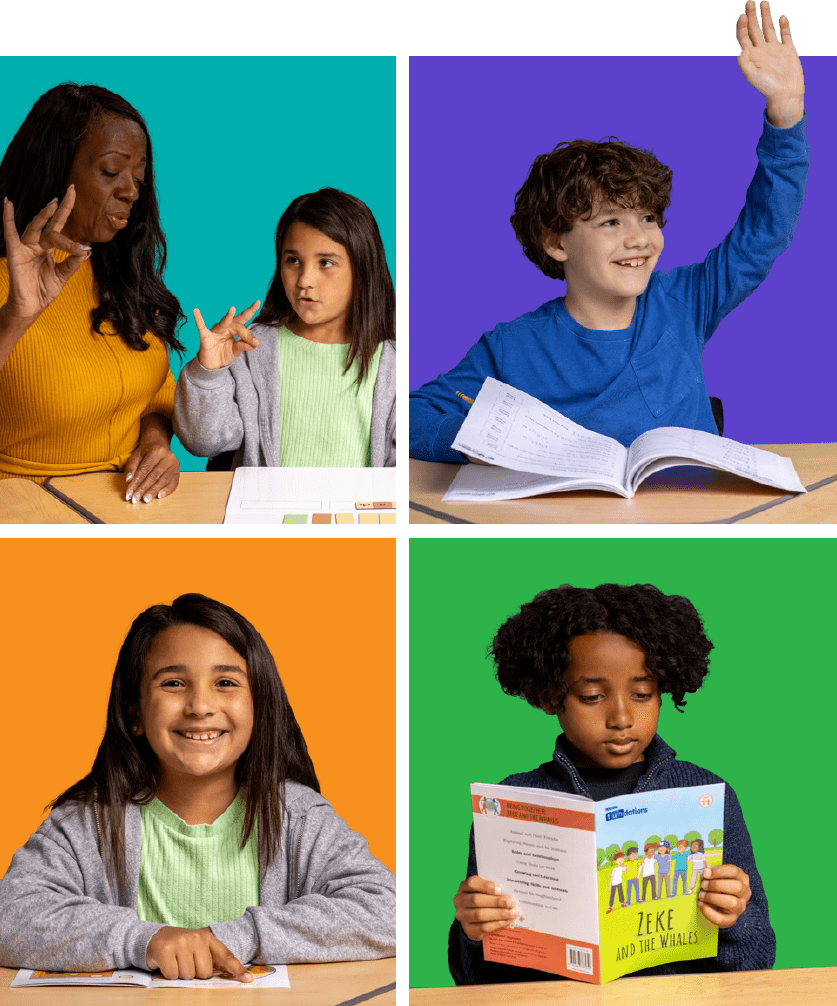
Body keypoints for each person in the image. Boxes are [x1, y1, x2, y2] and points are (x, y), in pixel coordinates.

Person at [410, 1, 807, 462]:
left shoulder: (685, 302)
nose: (639, 238)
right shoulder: (512, 347)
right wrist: (481, 443)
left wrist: (785, 112)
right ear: (556, 242)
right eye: (611, 222)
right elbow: (415, 415)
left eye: (649, 218)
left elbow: (763, 234)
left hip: (691, 502)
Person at [0, 594, 396, 980]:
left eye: (225, 682)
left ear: (258, 706)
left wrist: (238, 936)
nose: (200, 706)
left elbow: (389, 911)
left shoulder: (299, 817)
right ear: (134, 712)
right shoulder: (88, 825)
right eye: (174, 683)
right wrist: (143, 940)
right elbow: (10, 915)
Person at [450, 583, 773, 985]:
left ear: (662, 692)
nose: (621, 717)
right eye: (591, 696)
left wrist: (736, 918)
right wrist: (473, 931)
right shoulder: (509, 804)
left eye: (642, 693)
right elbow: (471, 980)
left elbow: (760, 960)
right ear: (551, 697)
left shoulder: (707, 795)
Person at [0, 83, 184, 503]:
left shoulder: (120, 273)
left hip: (124, 507)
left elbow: (156, 387)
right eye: (110, 171)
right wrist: (17, 316)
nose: (131, 191)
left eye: (138, 178)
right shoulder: (9, 281)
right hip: (23, 507)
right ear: (54, 169)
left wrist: (155, 445)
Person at [174, 188, 395, 469]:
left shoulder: (391, 363)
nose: (304, 280)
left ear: (363, 268)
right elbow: (202, 443)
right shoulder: (249, 348)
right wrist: (209, 372)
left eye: (326, 263)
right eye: (293, 261)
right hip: (266, 499)